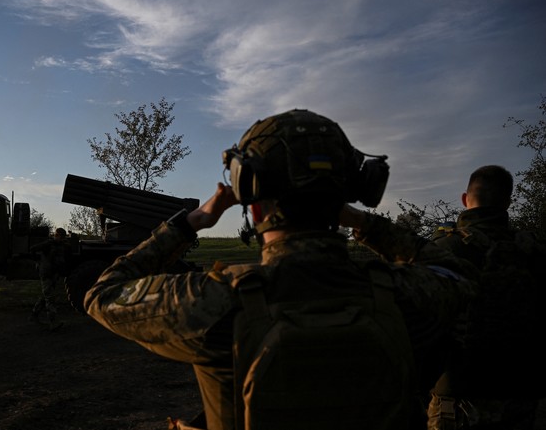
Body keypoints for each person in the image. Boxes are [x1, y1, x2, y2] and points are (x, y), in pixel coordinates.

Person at [84, 109, 475, 430]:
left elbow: (103, 294)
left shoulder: (212, 301)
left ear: (250, 198)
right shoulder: (405, 295)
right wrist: (367, 224)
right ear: (355, 189)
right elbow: (457, 274)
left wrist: (192, 222)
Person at [427, 165, 546, 430]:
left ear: (464, 199)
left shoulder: (443, 249)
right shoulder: (535, 252)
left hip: (457, 399)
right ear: (508, 202)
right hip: (523, 396)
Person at [29, 227, 70, 331]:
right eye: (58, 236)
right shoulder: (48, 244)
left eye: (61, 237)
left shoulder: (62, 246)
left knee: (45, 296)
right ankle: (53, 322)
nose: (59, 238)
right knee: (50, 298)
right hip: (46, 273)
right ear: (55, 235)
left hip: (53, 274)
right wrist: (39, 262)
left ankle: (34, 315)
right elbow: (33, 249)